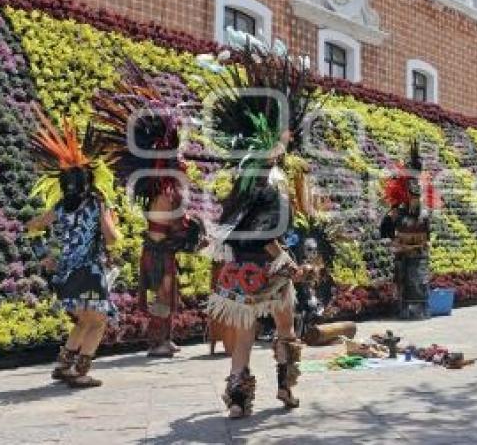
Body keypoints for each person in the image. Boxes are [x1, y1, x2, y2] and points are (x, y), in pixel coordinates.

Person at [203, 38, 317, 419]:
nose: (288, 142)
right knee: (285, 326)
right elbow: (266, 232)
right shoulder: (273, 179)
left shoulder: (244, 177)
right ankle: (285, 388)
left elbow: (235, 226)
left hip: (240, 267)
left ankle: (238, 398)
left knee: (245, 335)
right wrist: (285, 261)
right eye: (285, 137)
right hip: (267, 266)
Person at [93, 68, 204, 358]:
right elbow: (175, 221)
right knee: (163, 294)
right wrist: (190, 228)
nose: (185, 165)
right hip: (157, 250)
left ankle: (164, 337)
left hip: (159, 249)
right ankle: (157, 342)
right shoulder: (166, 192)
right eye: (180, 162)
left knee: (166, 293)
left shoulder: (163, 188)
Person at [26, 109, 120, 388]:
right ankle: (80, 372)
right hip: (89, 271)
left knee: (82, 321)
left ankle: (64, 366)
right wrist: (109, 222)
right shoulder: (95, 203)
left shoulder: (59, 209)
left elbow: (31, 227)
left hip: (65, 273)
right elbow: (112, 238)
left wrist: (45, 257)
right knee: (98, 321)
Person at [380, 142, 434, 320]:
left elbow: (428, 233)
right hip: (403, 253)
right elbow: (387, 231)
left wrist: (423, 242)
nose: (415, 197)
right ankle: (403, 307)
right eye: (412, 194)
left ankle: (421, 308)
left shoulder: (424, 213)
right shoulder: (398, 213)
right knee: (402, 279)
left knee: (419, 280)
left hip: (419, 253)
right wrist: (394, 241)